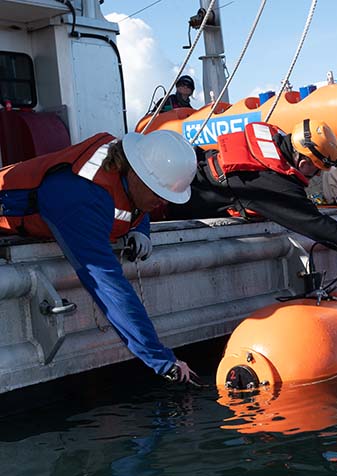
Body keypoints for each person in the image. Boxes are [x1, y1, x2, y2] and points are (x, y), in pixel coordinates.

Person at [0, 130, 199, 383]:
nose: (161, 204)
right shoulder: (80, 196)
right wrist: (160, 359)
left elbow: (135, 202)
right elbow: (109, 287)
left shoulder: (129, 167)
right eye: (158, 195)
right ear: (137, 174)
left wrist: (140, 229)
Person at [164, 119, 337, 276]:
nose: (315, 176)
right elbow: (316, 224)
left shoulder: (271, 140)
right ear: (302, 162)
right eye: (315, 169)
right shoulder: (272, 183)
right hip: (176, 203)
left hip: (191, 171)